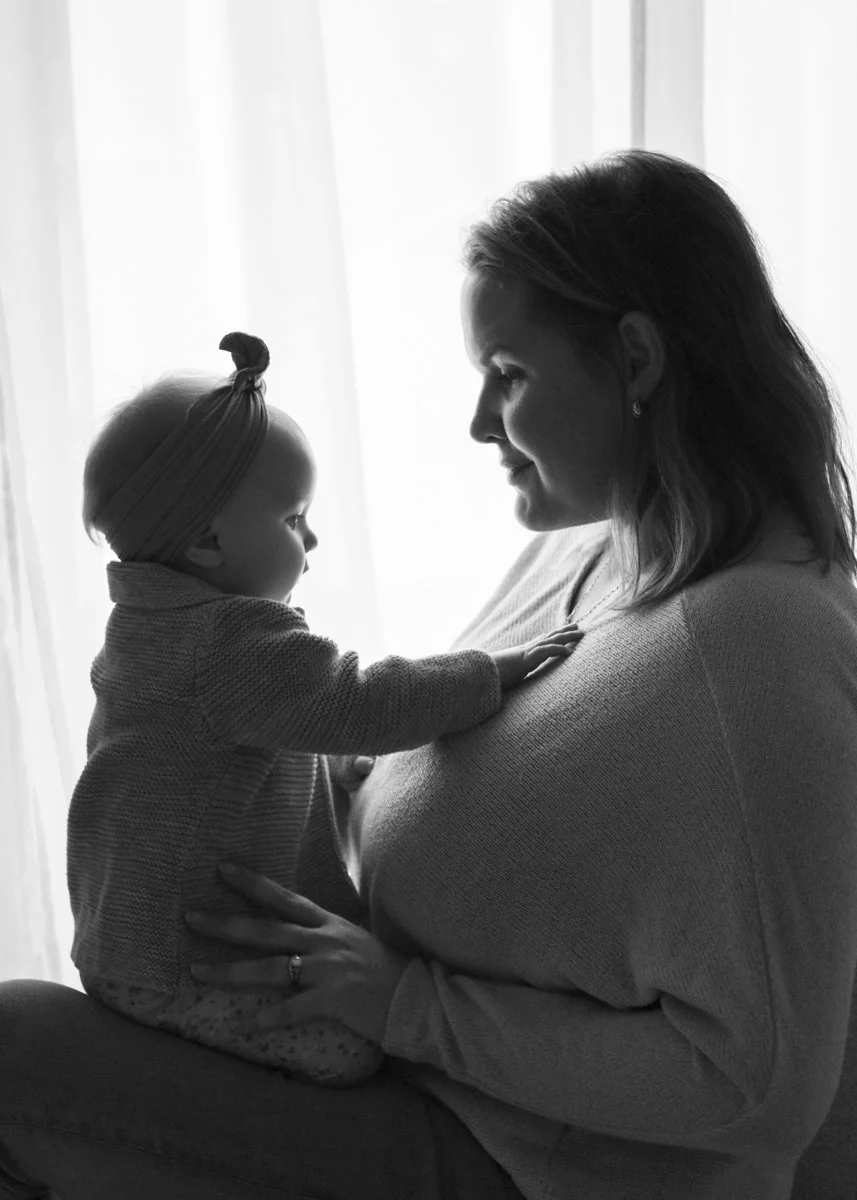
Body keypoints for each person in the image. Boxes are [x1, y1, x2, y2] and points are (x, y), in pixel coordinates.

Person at [2, 146, 857, 1200]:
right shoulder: (590, 547)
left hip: (515, 1158)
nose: (479, 422)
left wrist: (404, 1004)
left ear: (635, 360)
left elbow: (758, 1084)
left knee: (14, 1051)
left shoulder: (762, 645)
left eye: (509, 373)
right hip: (395, 1075)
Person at [65, 329, 583, 1089]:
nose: (312, 538)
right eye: (292, 518)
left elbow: (235, 742)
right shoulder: (228, 640)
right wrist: (488, 674)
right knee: (352, 1054)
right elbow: (357, 701)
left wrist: (334, 769)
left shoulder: (150, 627)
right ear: (207, 541)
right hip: (184, 964)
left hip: (127, 947)